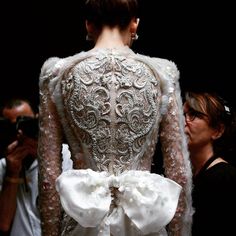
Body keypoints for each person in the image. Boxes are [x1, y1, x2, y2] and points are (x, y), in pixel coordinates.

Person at [38, 0, 193, 235]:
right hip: (144, 222)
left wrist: (50, 231)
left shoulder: (57, 73)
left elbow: (49, 176)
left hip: (82, 222)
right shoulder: (162, 74)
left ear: (88, 25)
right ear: (134, 24)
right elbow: (178, 172)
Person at [0, 98, 72, 236]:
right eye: (13, 127)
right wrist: (12, 174)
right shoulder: (3, 166)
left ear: (38, 120)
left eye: (25, 124)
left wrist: (43, 155)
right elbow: (3, 224)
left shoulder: (66, 156)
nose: (19, 133)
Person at [183, 91, 236, 236]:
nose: (183, 122)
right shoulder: (186, 173)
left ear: (217, 131)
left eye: (194, 115)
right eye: (182, 115)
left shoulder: (225, 178)